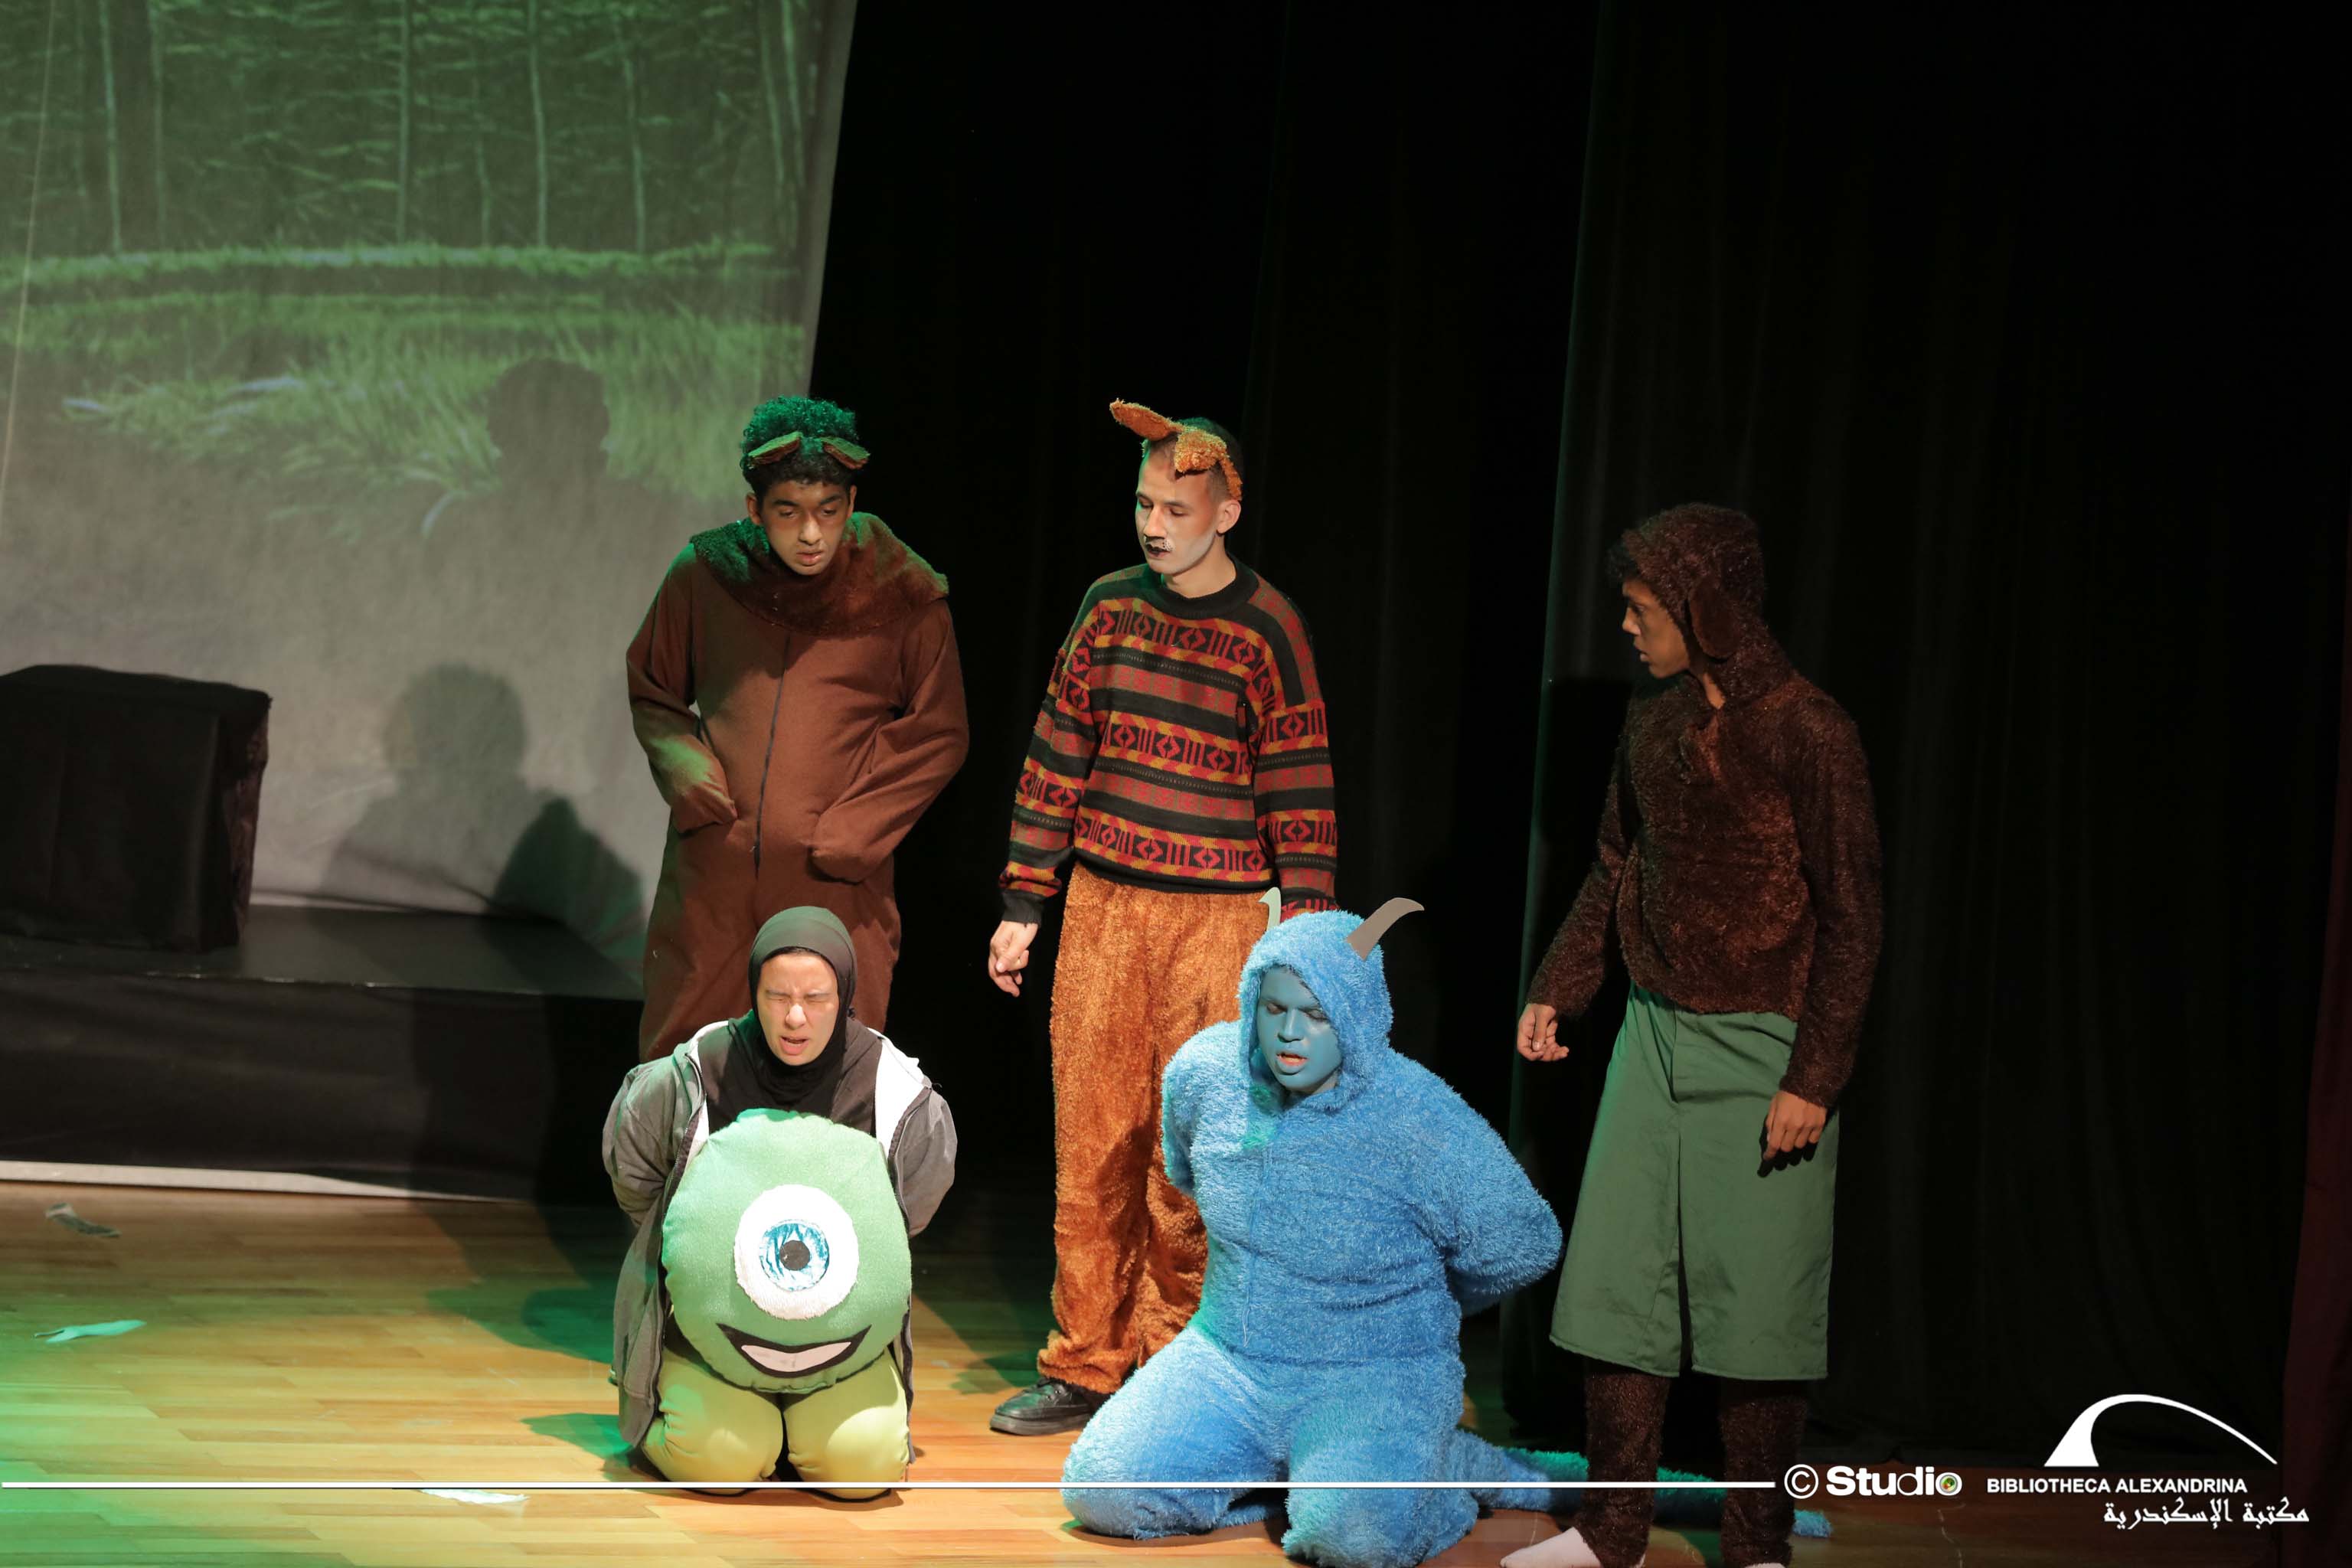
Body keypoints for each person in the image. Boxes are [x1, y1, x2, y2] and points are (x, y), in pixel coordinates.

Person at [1507, 505, 1883, 1568]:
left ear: (1703, 609)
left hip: (1767, 1047)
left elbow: (1854, 917)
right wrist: (1560, 988)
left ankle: (1758, 1543)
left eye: (1642, 607)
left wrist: (1815, 1075)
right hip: (1653, 1036)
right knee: (1616, 1292)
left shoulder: (1811, 731)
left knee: (1757, 1310)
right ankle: (1610, 1530)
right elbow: (1616, 864)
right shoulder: (1654, 719)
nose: (1627, 627)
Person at [985, 400, 1340, 1435]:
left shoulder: (1268, 627)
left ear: (1226, 511)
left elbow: (1300, 782)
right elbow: (1057, 751)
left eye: (1176, 508)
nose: (1153, 524)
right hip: (1105, 905)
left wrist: (1306, 931)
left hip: (1219, 918)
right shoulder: (1108, 609)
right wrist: (1024, 900)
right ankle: (1086, 1360)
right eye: (1143, 504)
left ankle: (1178, 1366)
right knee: (1093, 1136)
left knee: (1196, 1147)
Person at [1061, 901, 1570, 1565]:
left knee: (1352, 1540)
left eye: (1317, 1014)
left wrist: (1423, 1306)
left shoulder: (1420, 1115)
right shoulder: (1207, 1074)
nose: (1290, 1032)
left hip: (1373, 1377)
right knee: (1102, 1488)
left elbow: (1525, 1241)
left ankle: (1430, 1478)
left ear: (1356, 1015)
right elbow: (1186, 1171)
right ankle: (1304, 1479)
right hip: (1230, 1359)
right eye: (1274, 1008)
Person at [626, 397, 968, 1060]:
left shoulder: (901, 592)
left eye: (828, 511)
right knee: (687, 1052)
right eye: (788, 513)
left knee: (827, 1061)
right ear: (755, 510)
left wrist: (852, 832)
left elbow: (940, 730)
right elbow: (653, 686)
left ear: (852, 501)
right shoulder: (707, 574)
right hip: (716, 874)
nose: (811, 534)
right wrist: (691, 778)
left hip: (833, 884)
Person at [603, 906, 956, 1493]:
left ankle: (803, 1432)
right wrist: (691, 1253)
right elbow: (636, 1170)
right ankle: (702, 1419)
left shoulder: (892, 1090)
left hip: (841, 1349)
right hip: (710, 1337)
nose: (795, 1017)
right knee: (720, 1462)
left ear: (844, 995)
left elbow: (908, 1211)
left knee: (863, 1468)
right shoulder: (700, 1071)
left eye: (816, 998)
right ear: (754, 992)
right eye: (777, 996)